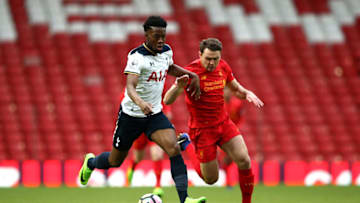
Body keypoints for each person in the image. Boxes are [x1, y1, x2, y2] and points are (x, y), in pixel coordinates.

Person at [78, 16, 206, 203]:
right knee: (115, 161)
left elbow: (168, 68)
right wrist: (140, 103)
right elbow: (130, 85)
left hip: (154, 114)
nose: (161, 40)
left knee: (173, 148)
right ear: (146, 34)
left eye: (163, 36)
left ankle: (185, 199)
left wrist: (190, 74)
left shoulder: (166, 51)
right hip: (131, 116)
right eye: (156, 36)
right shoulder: (136, 57)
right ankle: (90, 163)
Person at [163, 38, 264, 203]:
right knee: (211, 179)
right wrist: (178, 87)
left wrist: (247, 93)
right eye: (208, 58)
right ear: (199, 55)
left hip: (224, 123)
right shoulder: (189, 72)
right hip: (202, 130)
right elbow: (167, 100)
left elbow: (235, 87)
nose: (211, 63)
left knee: (244, 160)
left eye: (215, 59)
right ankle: (186, 144)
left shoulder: (223, 66)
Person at [126, 103, 172, 197]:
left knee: (157, 154)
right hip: (140, 128)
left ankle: (158, 186)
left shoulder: (157, 89)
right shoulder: (131, 90)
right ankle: (132, 168)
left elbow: (165, 103)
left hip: (155, 127)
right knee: (138, 158)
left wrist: (167, 113)